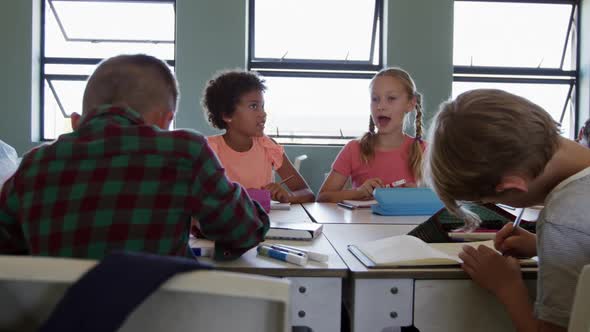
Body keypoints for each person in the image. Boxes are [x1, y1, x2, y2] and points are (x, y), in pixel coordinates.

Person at [0, 54, 269, 261]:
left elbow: (9, 257)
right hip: (157, 318)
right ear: (166, 120)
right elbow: (243, 231)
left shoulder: (33, 164)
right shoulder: (185, 150)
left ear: (76, 121)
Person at [424, 88, 590, 331]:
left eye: (486, 200)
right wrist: (541, 244)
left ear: (512, 185)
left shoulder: (563, 220)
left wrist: (507, 287)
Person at [202, 69, 315, 203]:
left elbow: (308, 193)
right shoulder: (210, 150)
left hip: (261, 222)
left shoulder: (267, 145)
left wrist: (288, 196)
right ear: (227, 115)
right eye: (253, 106)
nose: (263, 114)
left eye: (262, 106)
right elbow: (198, 200)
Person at [317, 67, 426, 203]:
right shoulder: (354, 149)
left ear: (411, 104)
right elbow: (322, 198)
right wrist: (358, 192)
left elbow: (447, 201)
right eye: (375, 99)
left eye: (391, 98)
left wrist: (421, 195)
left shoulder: (426, 152)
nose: (380, 106)